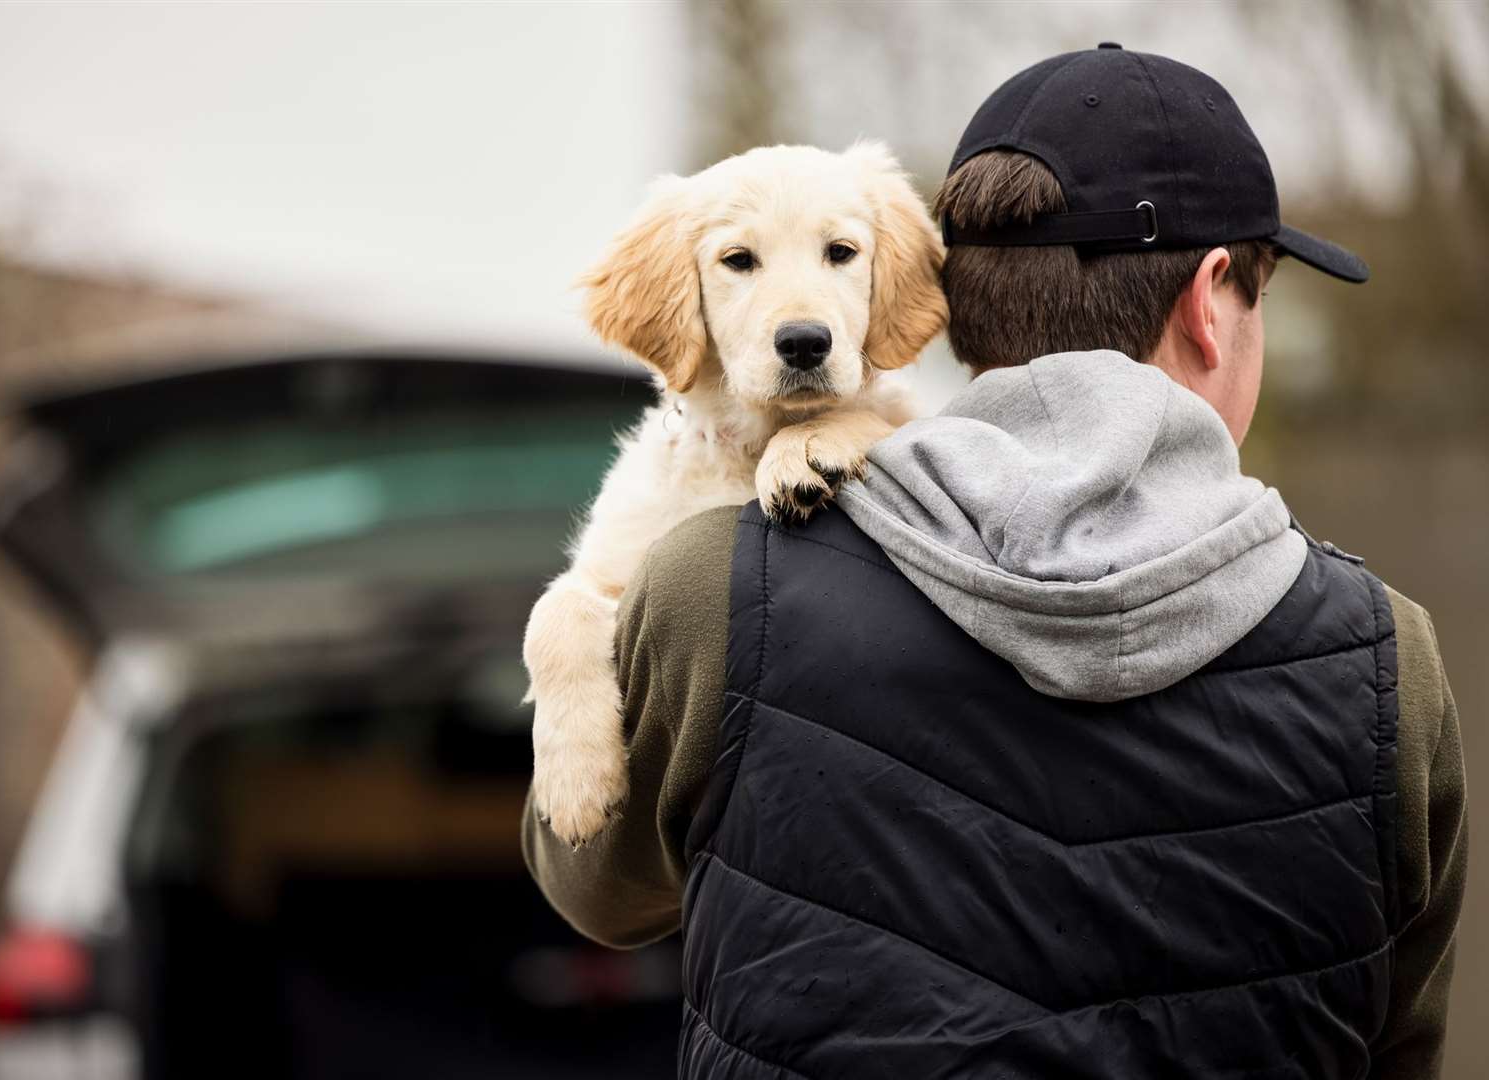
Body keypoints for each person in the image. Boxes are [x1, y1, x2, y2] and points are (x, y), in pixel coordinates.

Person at [523, 44, 1466, 1079]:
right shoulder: (1387, 660)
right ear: (1210, 301)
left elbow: (600, 892)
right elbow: (1401, 1044)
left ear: (947, 305)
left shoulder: (714, 586)